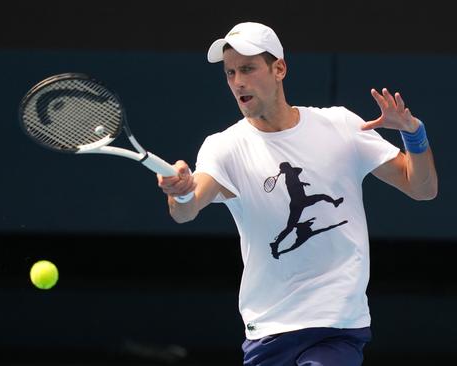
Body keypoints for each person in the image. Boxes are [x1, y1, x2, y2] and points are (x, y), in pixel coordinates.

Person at [157, 22, 438, 366]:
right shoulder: (225, 147)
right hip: (269, 329)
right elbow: (186, 209)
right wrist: (182, 192)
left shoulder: (340, 126)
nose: (238, 82)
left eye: (247, 68)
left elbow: (422, 188)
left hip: (336, 324)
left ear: (279, 69)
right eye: (230, 73)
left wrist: (414, 135)